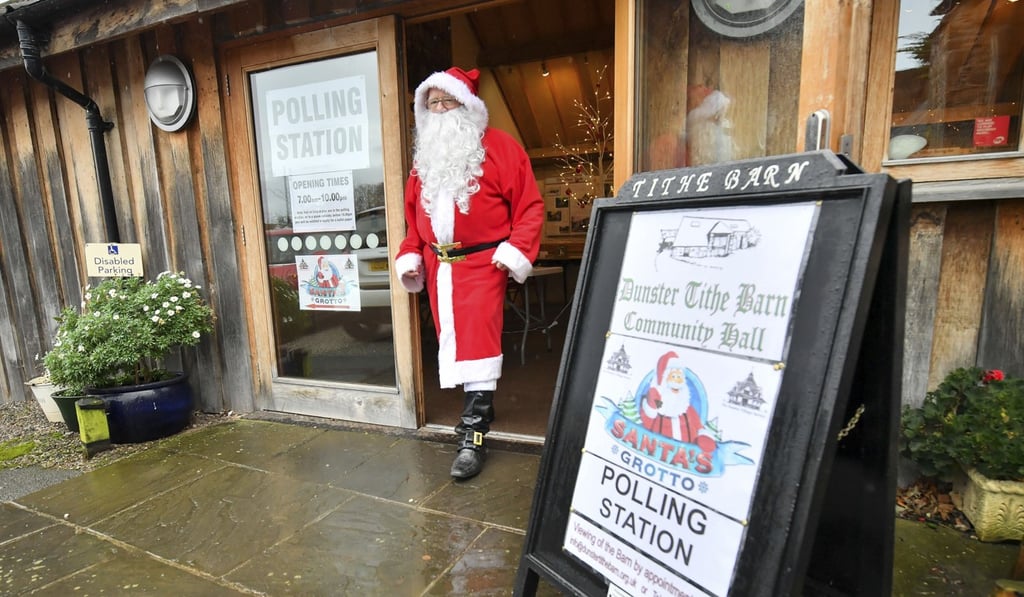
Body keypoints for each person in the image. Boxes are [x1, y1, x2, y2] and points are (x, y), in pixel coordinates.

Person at [394, 67, 544, 479]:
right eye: (432, 102)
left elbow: (530, 207)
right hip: (440, 268)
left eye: (448, 101)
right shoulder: (423, 161)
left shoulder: (500, 148)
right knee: (455, 348)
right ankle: (470, 429)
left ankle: (473, 438)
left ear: (468, 105)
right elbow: (414, 222)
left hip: (482, 265)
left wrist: (514, 251)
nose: (439, 110)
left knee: (479, 352)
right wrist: (410, 254)